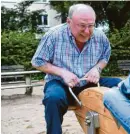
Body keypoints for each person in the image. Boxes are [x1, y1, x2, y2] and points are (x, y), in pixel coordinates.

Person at [31, 4, 121, 134]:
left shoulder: (100, 36)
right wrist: (62, 72)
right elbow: (37, 61)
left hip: (88, 83)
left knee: (121, 85)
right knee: (53, 98)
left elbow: (105, 56)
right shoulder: (54, 35)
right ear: (69, 21)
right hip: (60, 83)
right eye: (82, 25)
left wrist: (97, 69)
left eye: (91, 26)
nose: (87, 31)